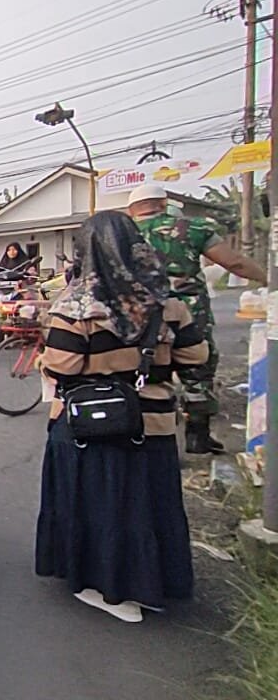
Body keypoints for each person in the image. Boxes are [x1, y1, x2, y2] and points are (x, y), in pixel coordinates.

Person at [36, 211, 207, 622]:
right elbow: (195, 356)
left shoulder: (77, 307)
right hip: (155, 425)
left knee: (103, 510)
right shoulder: (167, 303)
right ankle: (158, 583)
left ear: (84, 251)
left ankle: (111, 590)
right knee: (153, 506)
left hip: (95, 428)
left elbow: (62, 367)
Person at [127, 184, 267, 453]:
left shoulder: (123, 233)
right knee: (198, 368)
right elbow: (234, 263)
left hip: (141, 314)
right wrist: (267, 278)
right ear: (163, 203)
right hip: (189, 312)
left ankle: (151, 434)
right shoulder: (191, 228)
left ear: (131, 209)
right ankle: (197, 436)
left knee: (146, 369)